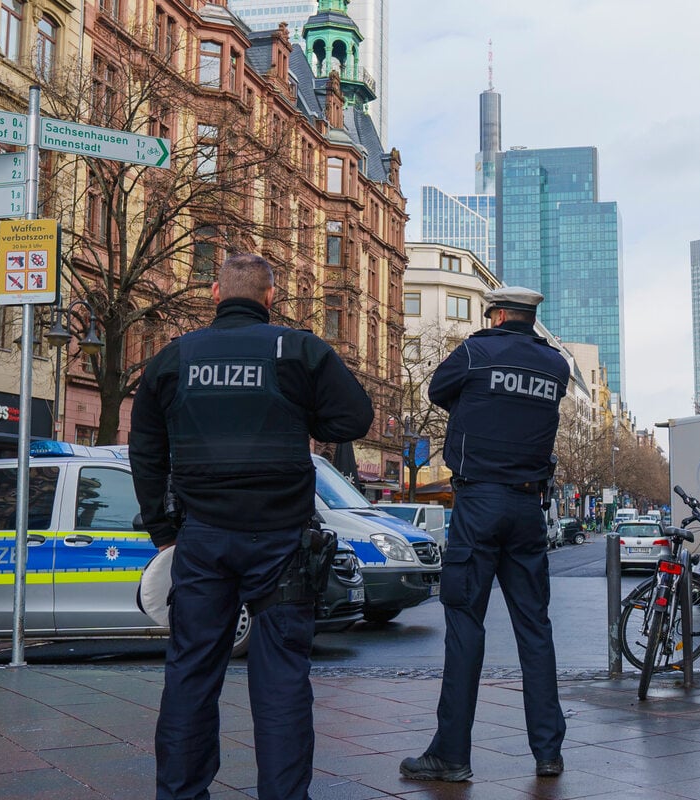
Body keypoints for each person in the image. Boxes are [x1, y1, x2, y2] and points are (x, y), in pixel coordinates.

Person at [130, 253, 374, 800]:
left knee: (191, 673)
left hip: (201, 540)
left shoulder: (174, 358)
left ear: (216, 294)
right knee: (282, 678)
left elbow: (145, 450)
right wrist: (303, 417)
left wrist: (163, 530)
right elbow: (355, 418)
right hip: (282, 542)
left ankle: (180, 794)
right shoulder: (299, 350)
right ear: (270, 298)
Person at [399, 287, 571, 783]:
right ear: (531, 318)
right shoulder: (554, 366)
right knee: (534, 629)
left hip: (477, 504)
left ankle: (451, 754)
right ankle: (547, 752)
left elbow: (437, 391)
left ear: (496, 315)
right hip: (527, 506)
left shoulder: (475, 351)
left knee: (465, 624)